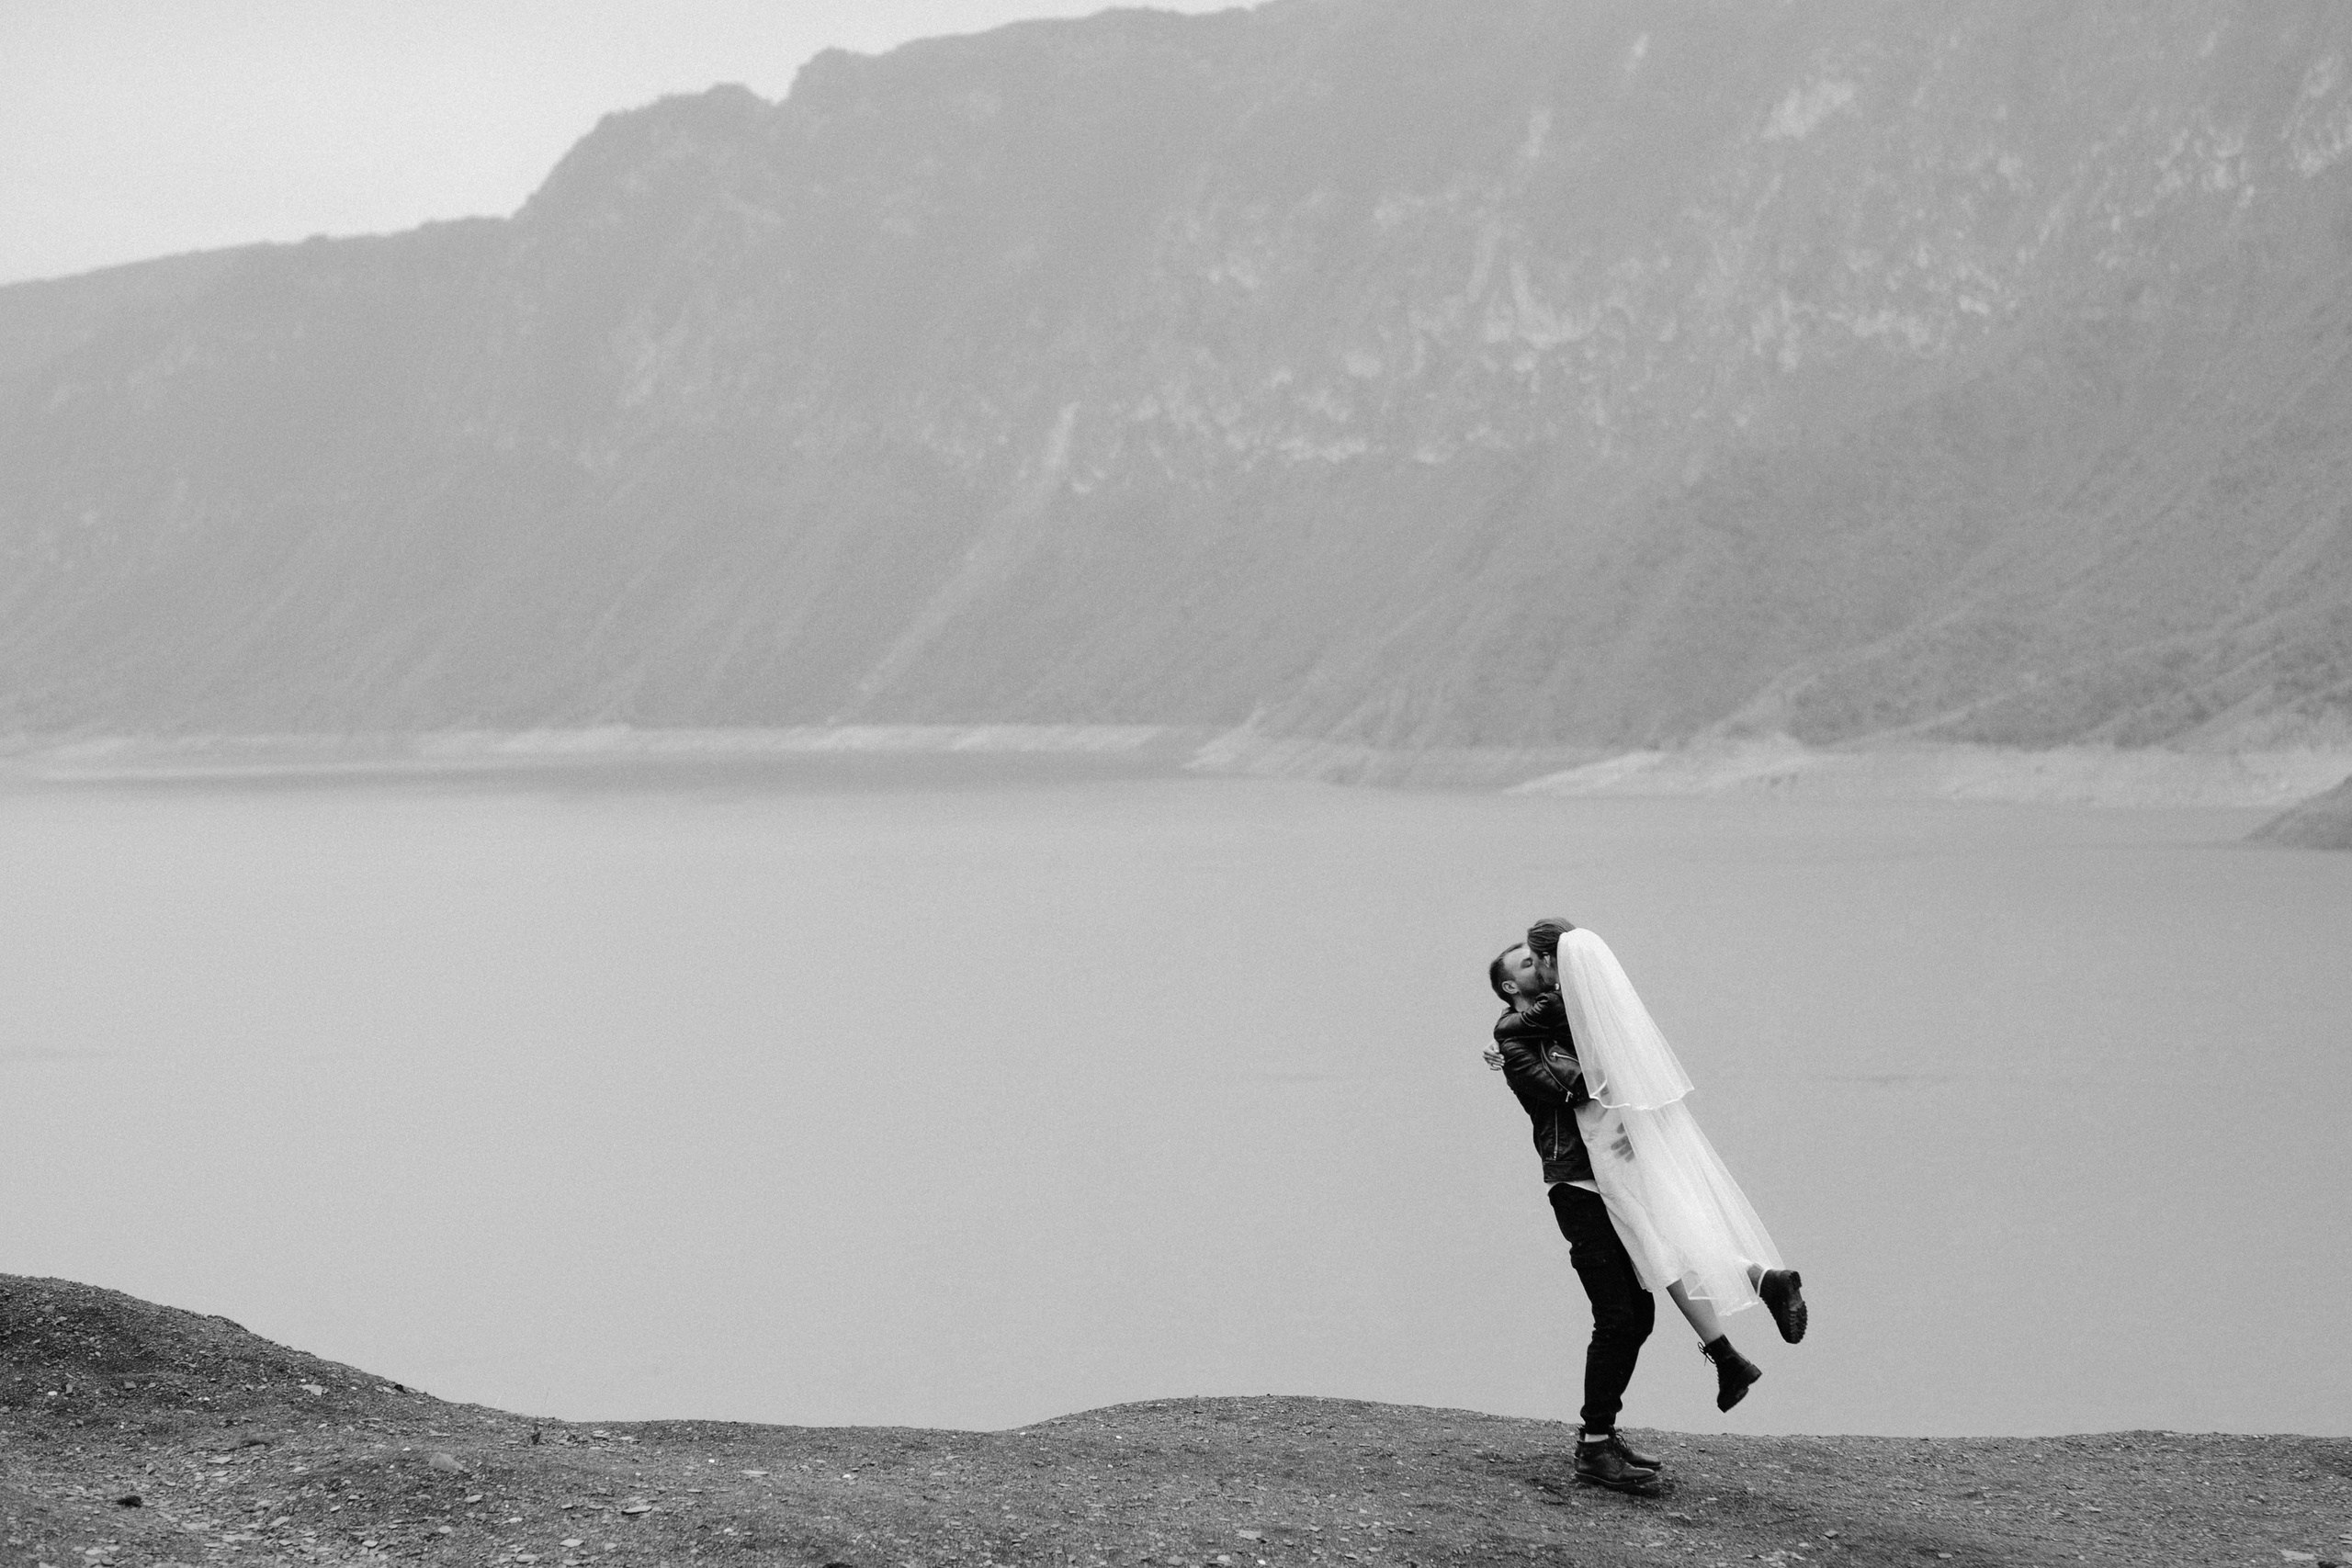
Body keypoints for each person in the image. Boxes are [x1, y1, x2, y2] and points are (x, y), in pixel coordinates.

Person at [1487, 917, 1806, 1493]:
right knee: (1618, 1317)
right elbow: (1568, 1090)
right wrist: (1539, 1034)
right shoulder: (1515, 1043)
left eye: (1542, 959)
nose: (1544, 967)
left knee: (1639, 1316)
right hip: (1578, 1187)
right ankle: (1595, 1446)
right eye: (1529, 964)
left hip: (1621, 1173)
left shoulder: (1568, 1021)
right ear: (1513, 986)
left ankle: (1611, 1430)